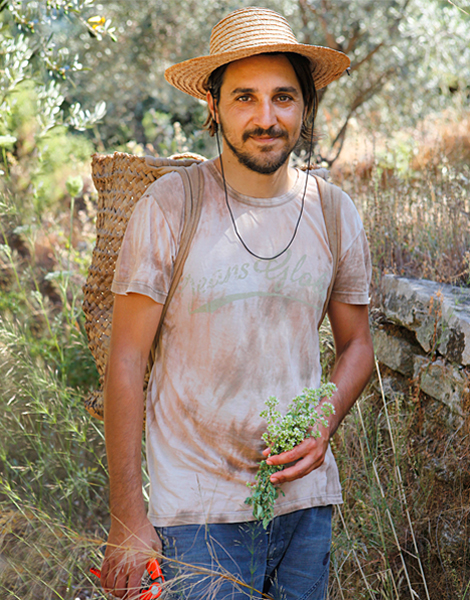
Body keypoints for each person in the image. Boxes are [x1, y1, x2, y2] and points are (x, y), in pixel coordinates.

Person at [100, 7, 374, 600]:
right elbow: (125, 361)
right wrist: (127, 515)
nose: (265, 118)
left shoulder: (334, 212)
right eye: (245, 97)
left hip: (306, 508)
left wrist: (323, 423)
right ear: (214, 105)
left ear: (305, 107)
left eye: (283, 97)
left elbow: (358, 345)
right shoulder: (171, 207)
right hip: (196, 517)